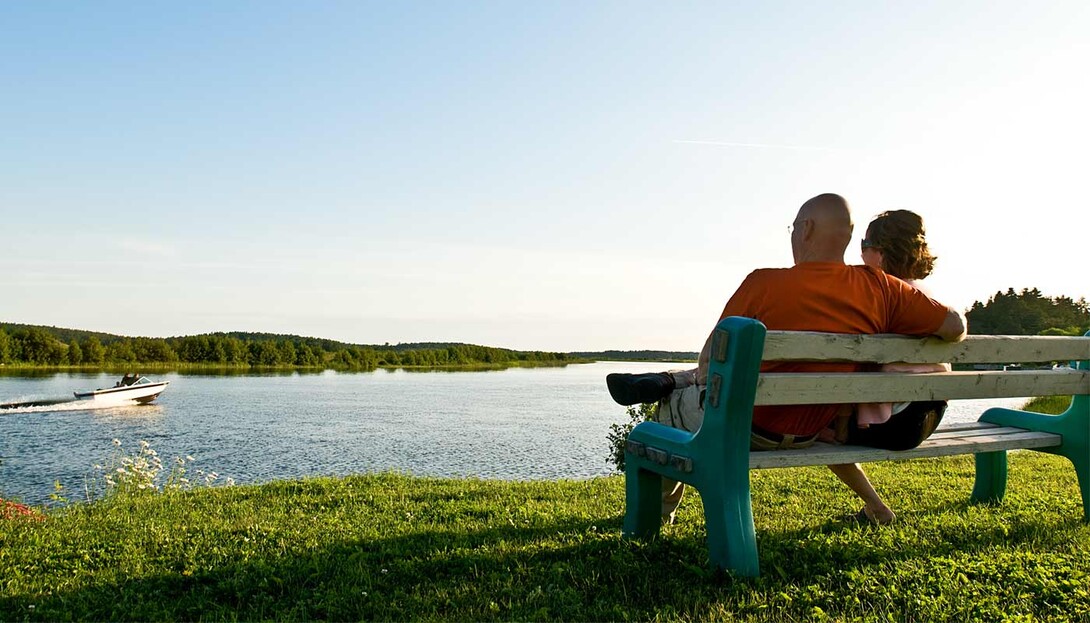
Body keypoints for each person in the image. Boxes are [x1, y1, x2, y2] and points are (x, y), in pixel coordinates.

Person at [608, 193, 966, 524]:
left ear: (806, 229)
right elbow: (954, 326)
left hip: (746, 427)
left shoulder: (762, 284)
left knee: (664, 415)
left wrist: (696, 378)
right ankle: (667, 382)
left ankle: (656, 516)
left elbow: (710, 362)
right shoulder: (884, 287)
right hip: (814, 430)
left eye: (794, 227)